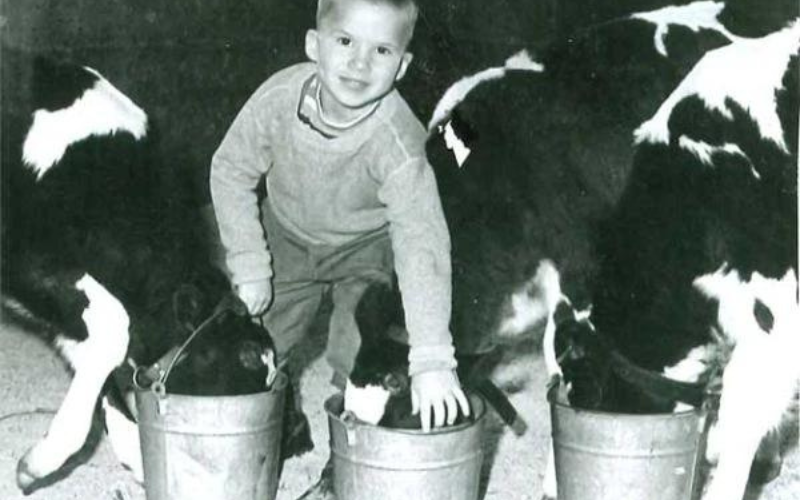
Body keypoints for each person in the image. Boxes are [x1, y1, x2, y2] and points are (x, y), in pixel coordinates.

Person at [210, 0, 468, 434]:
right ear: (314, 44)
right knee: (255, 342)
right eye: (345, 41)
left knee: (358, 351)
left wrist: (432, 359)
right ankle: (283, 422)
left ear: (402, 66)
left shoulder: (399, 144)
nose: (360, 63)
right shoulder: (278, 100)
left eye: (382, 51)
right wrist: (250, 262)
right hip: (286, 234)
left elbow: (422, 243)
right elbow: (230, 169)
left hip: (365, 247)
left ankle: (349, 445)